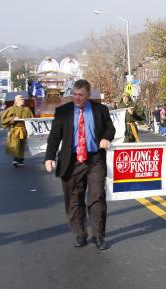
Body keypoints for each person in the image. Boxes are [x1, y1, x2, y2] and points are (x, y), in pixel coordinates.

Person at [44, 79, 115, 250]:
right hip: (72, 160)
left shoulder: (101, 110)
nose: (77, 98)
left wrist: (106, 137)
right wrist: (49, 157)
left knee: (97, 197)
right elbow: (54, 136)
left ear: (89, 95)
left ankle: (99, 235)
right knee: (73, 199)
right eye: (74, 94)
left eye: (81, 95)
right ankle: (81, 233)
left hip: (95, 159)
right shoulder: (63, 112)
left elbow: (110, 128)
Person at [1, 95, 34, 167]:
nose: (23, 100)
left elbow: (32, 119)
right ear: (17, 101)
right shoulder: (11, 109)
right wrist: (13, 119)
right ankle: (15, 160)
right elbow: (4, 119)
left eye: (23, 99)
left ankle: (21, 160)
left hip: (24, 129)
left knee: (22, 145)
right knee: (16, 144)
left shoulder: (27, 109)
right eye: (21, 99)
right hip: (15, 130)